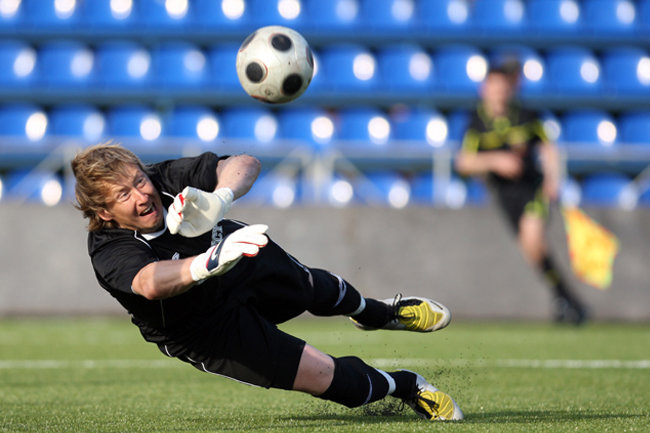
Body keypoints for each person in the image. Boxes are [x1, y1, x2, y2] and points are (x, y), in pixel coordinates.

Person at [71, 142, 463, 422]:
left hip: (235, 262)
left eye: (139, 180)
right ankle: (407, 386)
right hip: (202, 328)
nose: (142, 194)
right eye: (124, 194)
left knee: (313, 289)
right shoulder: (108, 248)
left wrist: (221, 197)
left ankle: (377, 313)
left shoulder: (164, 180)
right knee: (329, 379)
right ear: (104, 212)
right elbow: (149, 282)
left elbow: (245, 163)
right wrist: (206, 263)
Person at [455, 65, 588, 325]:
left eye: (503, 88)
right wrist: (495, 160)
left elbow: (548, 147)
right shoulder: (476, 121)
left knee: (532, 239)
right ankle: (564, 299)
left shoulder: (527, 116)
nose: (499, 93)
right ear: (484, 90)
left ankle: (568, 301)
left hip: (531, 189)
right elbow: (464, 162)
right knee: (532, 250)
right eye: (494, 87)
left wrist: (552, 178)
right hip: (504, 196)